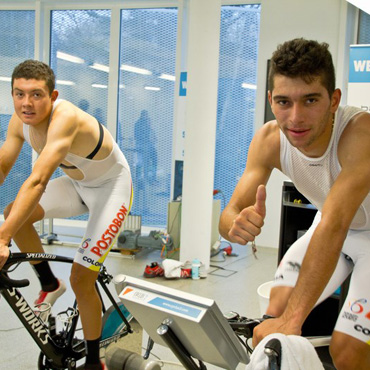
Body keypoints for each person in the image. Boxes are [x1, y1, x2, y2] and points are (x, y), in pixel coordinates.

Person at [219, 38, 370, 370]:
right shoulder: (269, 140)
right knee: (274, 309)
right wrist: (235, 224)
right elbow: (228, 214)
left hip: (346, 227)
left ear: (334, 100)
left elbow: (335, 223)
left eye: (310, 100)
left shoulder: (359, 133)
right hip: (335, 225)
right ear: (271, 100)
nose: (296, 117)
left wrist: (293, 320)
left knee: (347, 350)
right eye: (284, 102)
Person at [0, 60, 132, 370]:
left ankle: (94, 361)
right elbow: (3, 167)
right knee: (13, 214)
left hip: (111, 187)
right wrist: (7, 228)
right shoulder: (18, 122)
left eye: (35, 94)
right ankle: (49, 283)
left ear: (53, 95)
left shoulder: (66, 117)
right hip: (78, 183)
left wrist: (4, 238)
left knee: (81, 278)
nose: (26, 103)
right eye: (19, 94)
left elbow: (37, 180)